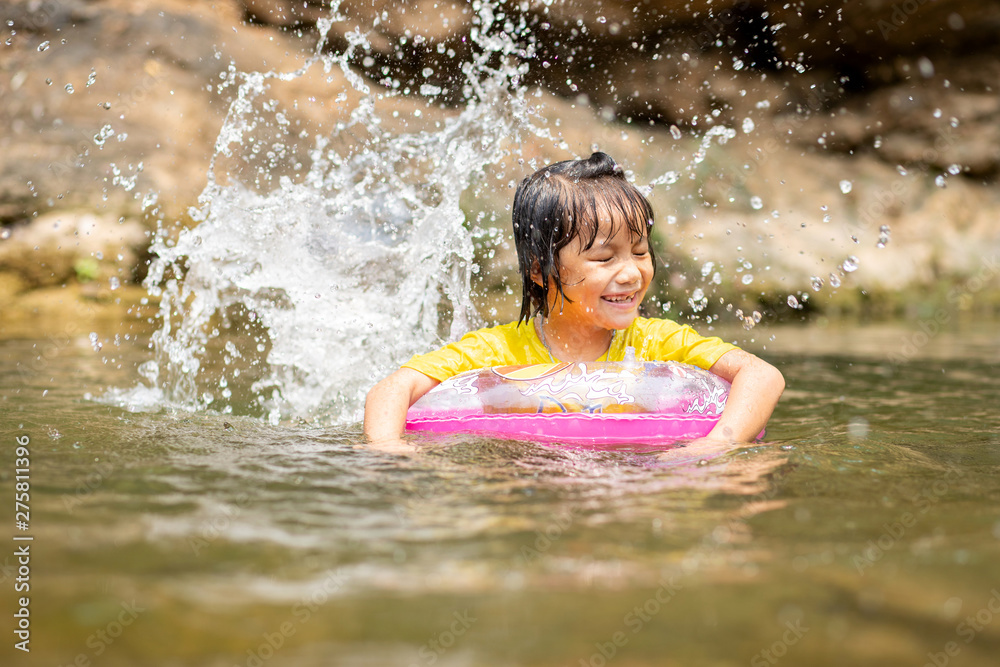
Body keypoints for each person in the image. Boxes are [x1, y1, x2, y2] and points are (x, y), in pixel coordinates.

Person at [364, 152, 784, 458]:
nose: (631, 273)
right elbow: (392, 389)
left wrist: (718, 442)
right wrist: (388, 449)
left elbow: (762, 376)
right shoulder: (497, 351)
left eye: (640, 252)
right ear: (539, 270)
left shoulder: (658, 341)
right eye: (604, 258)